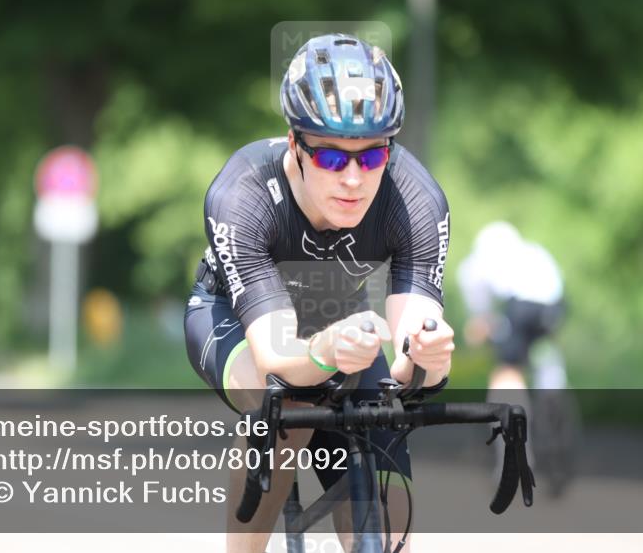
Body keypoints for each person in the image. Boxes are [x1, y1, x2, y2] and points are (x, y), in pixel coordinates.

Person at [183, 33, 455, 553]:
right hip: (238, 319)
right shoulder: (242, 194)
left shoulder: (416, 199)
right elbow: (280, 359)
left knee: (388, 472)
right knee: (284, 406)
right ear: (294, 144)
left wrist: (428, 359)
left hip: (342, 318)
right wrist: (325, 351)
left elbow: (410, 370)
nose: (353, 179)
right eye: (331, 159)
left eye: (372, 157)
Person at [457, 221, 565, 393]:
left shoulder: (478, 263)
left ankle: (509, 414)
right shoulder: (533, 251)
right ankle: (552, 398)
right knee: (543, 352)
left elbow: (480, 312)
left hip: (522, 307)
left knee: (508, 367)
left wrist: (480, 325)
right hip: (555, 308)